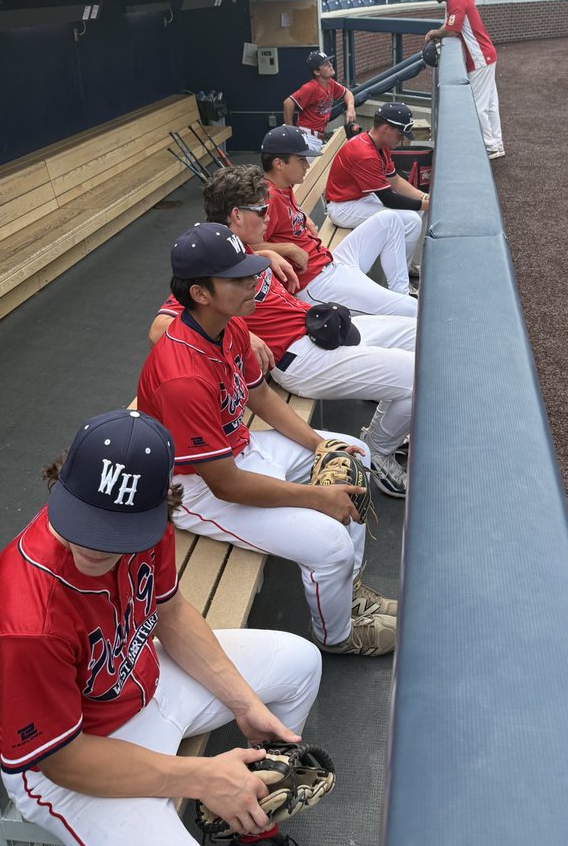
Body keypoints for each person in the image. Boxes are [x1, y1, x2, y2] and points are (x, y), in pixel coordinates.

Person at [0, 407, 322, 846]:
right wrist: (200, 777)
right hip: (70, 763)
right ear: (61, 484)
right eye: (89, 518)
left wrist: (242, 702)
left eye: (119, 530)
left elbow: (170, 612)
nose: (96, 543)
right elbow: (63, 761)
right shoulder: (27, 618)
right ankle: (228, 795)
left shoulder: (151, 530)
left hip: (141, 682)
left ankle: (250, 820)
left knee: (301, 662)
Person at [137, 223, 401, 648]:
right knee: (330, 543)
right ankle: (338, 637)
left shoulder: (230, 325)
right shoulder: (181, 376)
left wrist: (321, 445)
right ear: (200, 294)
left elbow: (259, 396)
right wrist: (316, 498)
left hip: (236, 449)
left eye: (248, 272)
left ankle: (346, 593)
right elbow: (225, 485)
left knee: (352, 452)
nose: (251, 282)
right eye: (237, 278)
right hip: (195, 491)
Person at [147, 187, 416, 499]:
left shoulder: (241, 252)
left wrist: (269, 251)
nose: (268, 215)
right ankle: (379, 451)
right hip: (300, 357)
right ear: (236, 215)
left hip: (320, 329)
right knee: (417, 376)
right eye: (261, 210)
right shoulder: (210, 269)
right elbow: (159, 327)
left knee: (418, 333)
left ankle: (385, 415)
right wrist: (244, 331)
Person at [259, 124, 417, 315]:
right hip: (316, 284)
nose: (307, 166)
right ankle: (400, 303)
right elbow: (243, 246)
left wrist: (303, 217)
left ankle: (400, 292)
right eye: (301, 159)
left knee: (390, 219)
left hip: (331, 261)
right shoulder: (268, 198)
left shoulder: (284, 186)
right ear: (279, 163)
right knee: (413, 311)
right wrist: (287, 248)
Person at [325, 101, 426, 266]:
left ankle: (399, 265)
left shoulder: (380, 144)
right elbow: (388, 199)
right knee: (412, 221)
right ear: (386, 128)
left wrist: (425, 197)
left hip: (361, 199)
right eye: (400, 134)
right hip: (343, 207)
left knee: (416, 213)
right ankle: (402, 276)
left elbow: (395, 181)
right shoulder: (364, 153)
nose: (401, 140)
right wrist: (425, 204)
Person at [424, 0, 504, 160]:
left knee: (478, 105)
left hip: (478, 57)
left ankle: (490, 145)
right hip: (483, 55)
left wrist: (433, 33)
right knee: (490, 104)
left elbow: (452, 29)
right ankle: (496, 143)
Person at [282, 50, 355, 143]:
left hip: (318, 137)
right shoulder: (310, 87)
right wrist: (290, 131)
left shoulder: (330, 83)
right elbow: (288, 103)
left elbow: (347, 93)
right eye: (325, 64)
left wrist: (351, 107)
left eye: (329, 61)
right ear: (317, 72)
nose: (330, 65)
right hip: (307, 137)